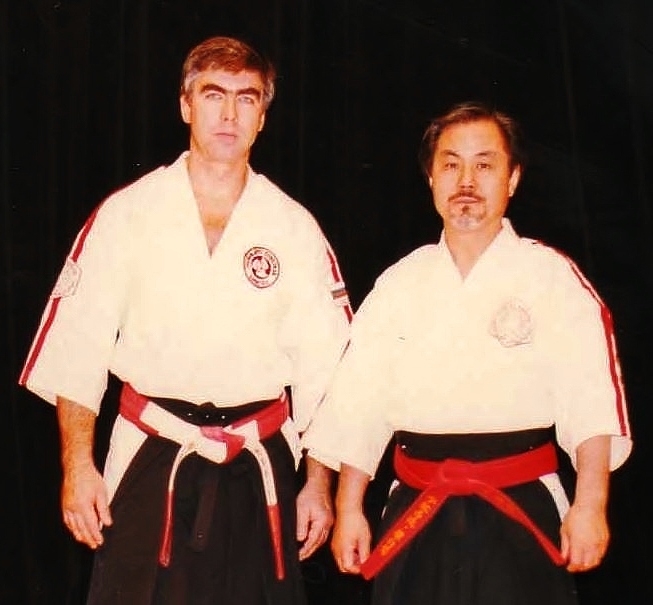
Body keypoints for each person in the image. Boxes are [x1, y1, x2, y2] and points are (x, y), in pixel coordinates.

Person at [19, 35, 352, 605]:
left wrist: (318, 484)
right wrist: (78, 467)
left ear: (263, 117)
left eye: (246, 98)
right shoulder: (129, 213)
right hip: (150, 454)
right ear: (185, 105)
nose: (229, 114)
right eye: (214, 95)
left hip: (258, 461)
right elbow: (77, 346)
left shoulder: (293, 227)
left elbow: (329, 371)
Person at [301, 101, 632, 605]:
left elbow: (591, 400)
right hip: (417, 506)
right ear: (431, 178)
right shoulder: (400, 283)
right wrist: (349, 509)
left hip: (521, 505)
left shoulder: (551, 278)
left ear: (512, 179)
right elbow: (357, 405)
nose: (466, 182)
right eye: (451, 165)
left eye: (485, 165)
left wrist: (589, 506)